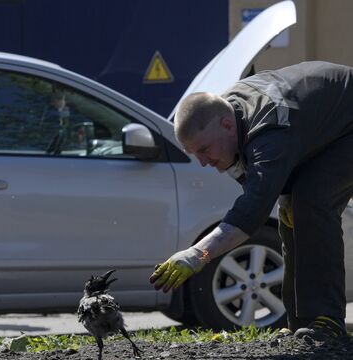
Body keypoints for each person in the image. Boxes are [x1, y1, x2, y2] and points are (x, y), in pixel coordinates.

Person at [150, 61, 353, 341]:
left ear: (226, 124)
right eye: (195, 154)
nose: (203, 162)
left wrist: (197, 255)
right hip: (322, 126)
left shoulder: (270, 131)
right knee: (290, 211)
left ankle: (327, 320)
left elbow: (251, 210)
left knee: (312, 201)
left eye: (204, 150)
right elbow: (256, 189)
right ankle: (301, 322)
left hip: (347, 125)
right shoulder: (229, 118)